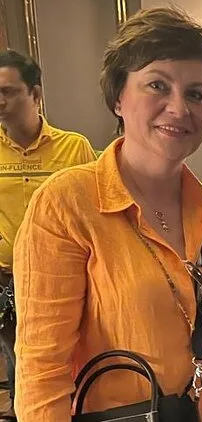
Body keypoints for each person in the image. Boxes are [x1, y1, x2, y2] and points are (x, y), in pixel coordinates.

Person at [13, 7, 202, 421]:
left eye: (196, 94)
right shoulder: (67, 205)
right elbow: (42, 374)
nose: (178, 108)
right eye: (158, 85)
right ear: (118, 98)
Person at [0, 49, 96, 421]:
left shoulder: (73, 147)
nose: (0, 100)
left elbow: (93, 212)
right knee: (24, 363)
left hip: (64, 280)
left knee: (65, 359)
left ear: (36, 94)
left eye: (8, 91)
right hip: (7, 280)